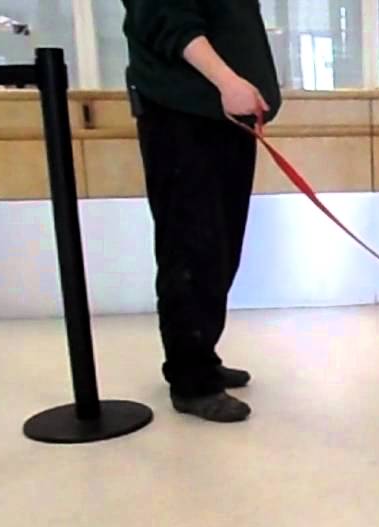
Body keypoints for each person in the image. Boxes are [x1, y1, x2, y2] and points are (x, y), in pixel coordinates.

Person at [121, 1, 282, 422]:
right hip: (183, 115)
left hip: (218, 118)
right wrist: (227, 80)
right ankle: (190, 379)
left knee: (219, 247)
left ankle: (200, 356)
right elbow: (164, 16)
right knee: (190, 247)